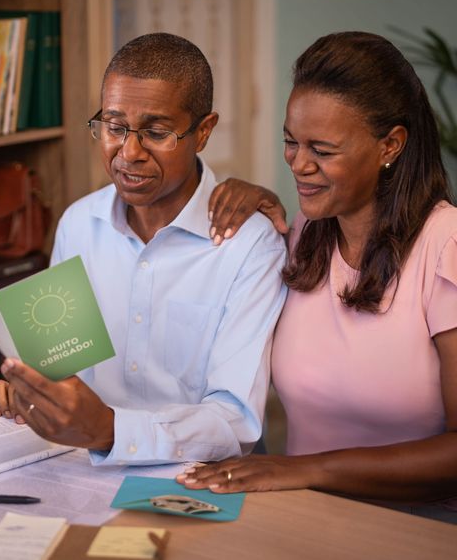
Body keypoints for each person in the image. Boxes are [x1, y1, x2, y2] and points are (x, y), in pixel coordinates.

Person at [178, 32, 457, 521]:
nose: (299, 164)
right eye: (290, 142)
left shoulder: (445, 245)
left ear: (390, 144)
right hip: (305, 512)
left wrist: (305, 470)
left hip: (418, 523)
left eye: (322, 151)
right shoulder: (304, 234)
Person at [0, 33, 288, 465]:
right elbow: (57, 366)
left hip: (196, 476)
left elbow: (235, 423)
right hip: (79, 465)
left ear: (203, 132)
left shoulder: (251, 246)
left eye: (156, 133)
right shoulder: (78, 224)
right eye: (113, 126)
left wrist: (109, 429)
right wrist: (30, 390)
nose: (128, 152)